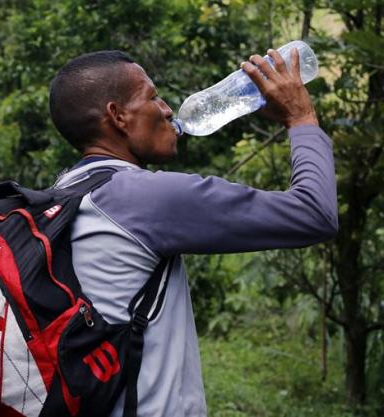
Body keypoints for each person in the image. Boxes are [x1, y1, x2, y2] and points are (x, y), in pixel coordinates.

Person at [48, 49, 337, 417]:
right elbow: (315, 213)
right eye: (152, 97)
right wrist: (301, 116)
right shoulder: (145, 197)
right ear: (117, 116)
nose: (168, 109)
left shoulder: (64, 190)